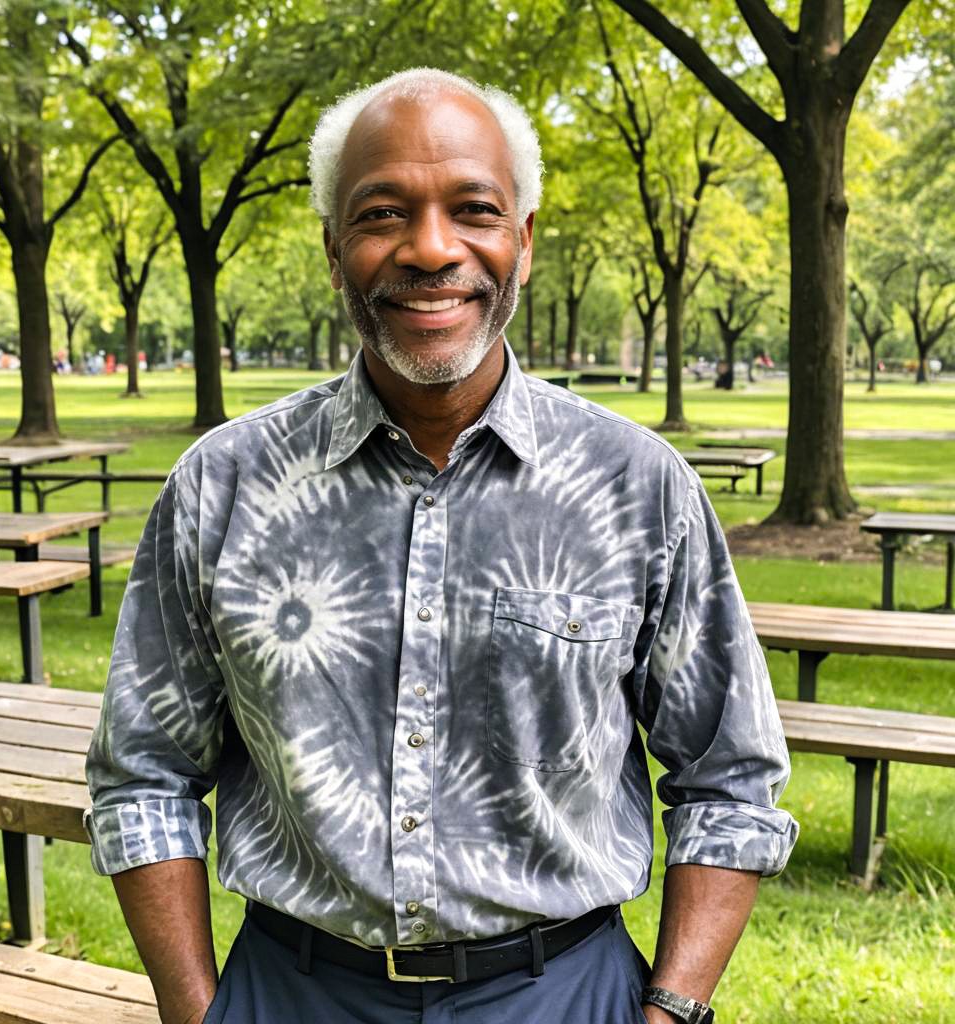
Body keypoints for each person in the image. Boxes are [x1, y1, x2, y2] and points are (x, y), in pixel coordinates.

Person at [85, 68, 798, 1024]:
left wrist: (669, 1010)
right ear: (335, 251)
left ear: (524, 241)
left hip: (570, 996)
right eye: (384, 213)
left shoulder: (639, 487)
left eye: (473, 209)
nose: (430, 249)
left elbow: (730, 776)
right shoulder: (222, 488)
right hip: (288, 994)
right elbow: (144, 771)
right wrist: (196, 1011)